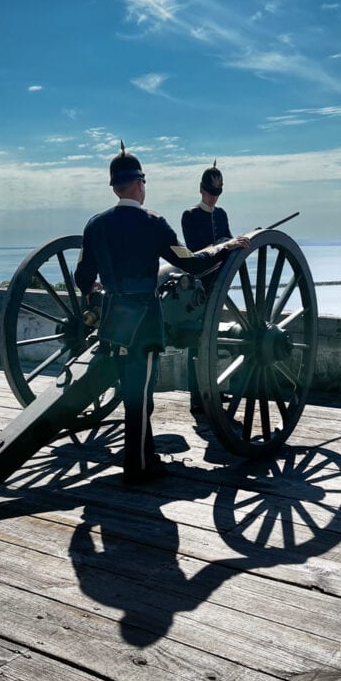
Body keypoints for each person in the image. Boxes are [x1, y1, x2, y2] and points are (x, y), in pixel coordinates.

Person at [75, 143, 248, 486]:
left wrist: (95, 290)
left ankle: (144, 454)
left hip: (113, 320)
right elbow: (189, 262)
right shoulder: (153, 222)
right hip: (144, 319)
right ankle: (138, 465)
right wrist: (224, 247)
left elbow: (83, 277)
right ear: (139, 184)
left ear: (114, 187)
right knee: (141, 393)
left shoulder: (95, 225)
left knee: (130, 388)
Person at [181, 160, 235, 414]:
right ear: (202, 190)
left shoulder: (222, 214)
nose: (213, 198)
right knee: (196, 341)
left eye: (217, 193)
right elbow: (195, 251)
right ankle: (196, 397)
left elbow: (229, 243)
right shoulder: (190, 216)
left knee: (215, 340)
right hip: (199, 284)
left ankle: (216, 391)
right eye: (211, 193)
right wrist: (224, 245)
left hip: (219, 284)